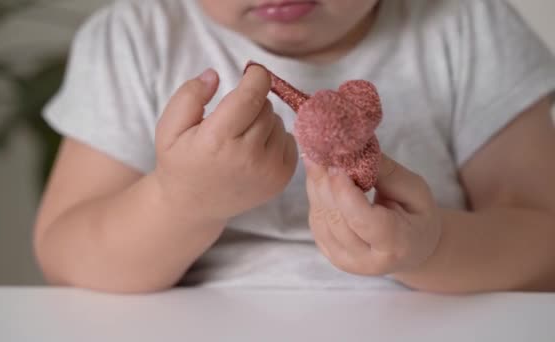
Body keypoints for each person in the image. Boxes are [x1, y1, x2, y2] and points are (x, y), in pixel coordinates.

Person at [34, 0, 555, 293]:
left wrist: (431, 247)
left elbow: (543, 243)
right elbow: (69, 258)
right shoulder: (135, 38)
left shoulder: (467, 24)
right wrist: (182, 201)